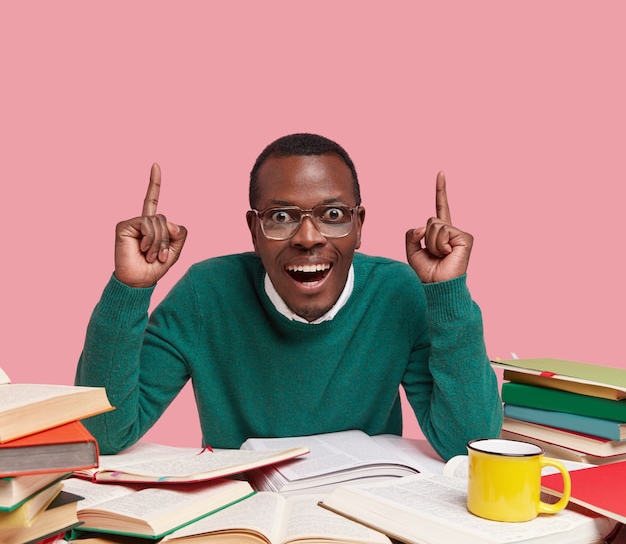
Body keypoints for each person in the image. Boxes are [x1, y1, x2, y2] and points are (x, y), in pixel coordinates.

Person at [76, 133, 502, 460]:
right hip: (241, 519)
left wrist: (448, 293)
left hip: (365, 514)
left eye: (333, 215)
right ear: (253, 231)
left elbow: (470, 445)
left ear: (359, 226)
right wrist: (129, 289)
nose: (308, 237)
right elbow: (104, 435)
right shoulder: (205, 295)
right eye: (280, 217)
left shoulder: (399, 292)